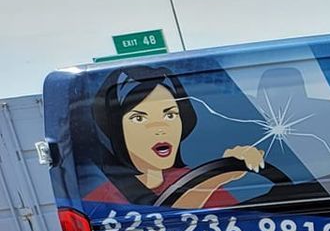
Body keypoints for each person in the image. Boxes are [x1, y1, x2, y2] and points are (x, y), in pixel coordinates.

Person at [84, 65, 266, 207]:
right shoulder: (101, 201)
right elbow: (162, 225)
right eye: (139, 118)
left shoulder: (190, 177)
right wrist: (219, 175)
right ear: (116, 128)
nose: (160, 128)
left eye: (170, 115)